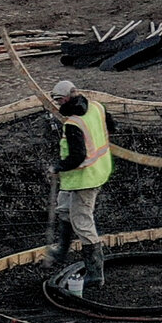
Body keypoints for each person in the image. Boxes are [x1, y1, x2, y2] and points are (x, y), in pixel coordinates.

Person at [47, 81, 113, 297]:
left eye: (58, 100)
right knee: (64, 207)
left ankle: (95, 274)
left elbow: (77, 157)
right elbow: (112, 126)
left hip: (87, 178)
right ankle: (62, 251)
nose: (57, 105)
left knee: (82, 221)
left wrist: (57, 166)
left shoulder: (73, 123)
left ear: (66, 98)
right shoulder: (96, 107)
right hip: (87, 173)